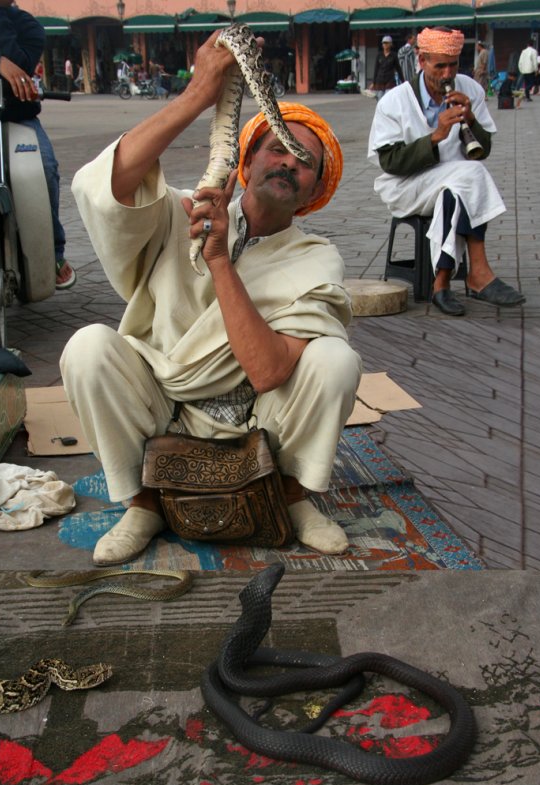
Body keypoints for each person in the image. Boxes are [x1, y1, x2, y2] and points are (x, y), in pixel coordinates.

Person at [60, 30, 362, 566]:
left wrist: (220, 258)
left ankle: (293, 498)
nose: (289, 162)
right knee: (88, 346)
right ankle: (144, 502)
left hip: (257, 418)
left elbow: (270, 373)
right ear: (245, 161)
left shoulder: (317, 259)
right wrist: (200, 92)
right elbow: (104, 187)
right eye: (277, 147)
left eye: (305, 161)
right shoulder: (185, 209)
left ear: (316, 191)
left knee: (335, 358)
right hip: (164, 400)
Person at [368, 26, 525, 316]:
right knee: (471, 176)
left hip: (452, 182)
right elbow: (389, 161)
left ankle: (440, 284)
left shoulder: (470, 90)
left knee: (457, 188)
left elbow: (483, 149)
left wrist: (472, 122)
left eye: (453, 65)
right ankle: (478, 273)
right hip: (405, 185)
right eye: (439, 66)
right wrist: (436, 136)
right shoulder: (394, 101)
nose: (447, 74)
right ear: (421, 59)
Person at [0, 0, 76, 289]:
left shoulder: (26, 24)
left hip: (18, 119)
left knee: (45, 168)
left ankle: (53, 251)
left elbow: (21, 66)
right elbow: (4, 65)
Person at [370, 35, 403, 100]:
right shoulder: (379, 55)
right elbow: (376, 69)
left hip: (390, 81)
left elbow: (398, 69)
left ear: (390, 44)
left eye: (386, 43)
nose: (385, 45)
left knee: (388, 99)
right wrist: (373, 82)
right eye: (384, 43)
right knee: (380, 100)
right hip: (380, 81)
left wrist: (403, 81)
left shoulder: (393, 55)